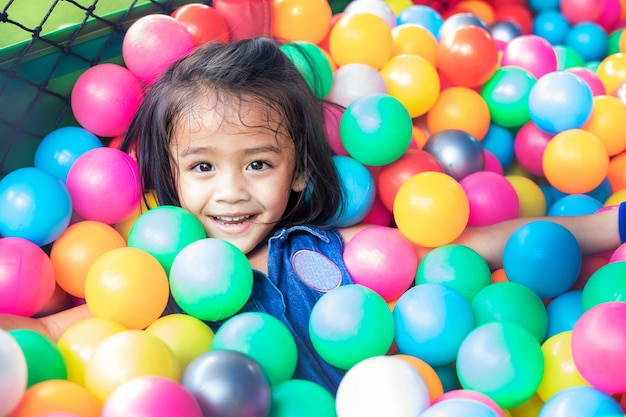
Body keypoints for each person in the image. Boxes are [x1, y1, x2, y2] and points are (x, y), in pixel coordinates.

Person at [0, 37, 623, 395]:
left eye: (259, 165)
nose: (232, 193)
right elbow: (62, 330)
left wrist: (608, 226)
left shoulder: (317, 251)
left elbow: (483, 244)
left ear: (299, 170)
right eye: (203, 168)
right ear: (170, 174)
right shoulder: (161, 288)